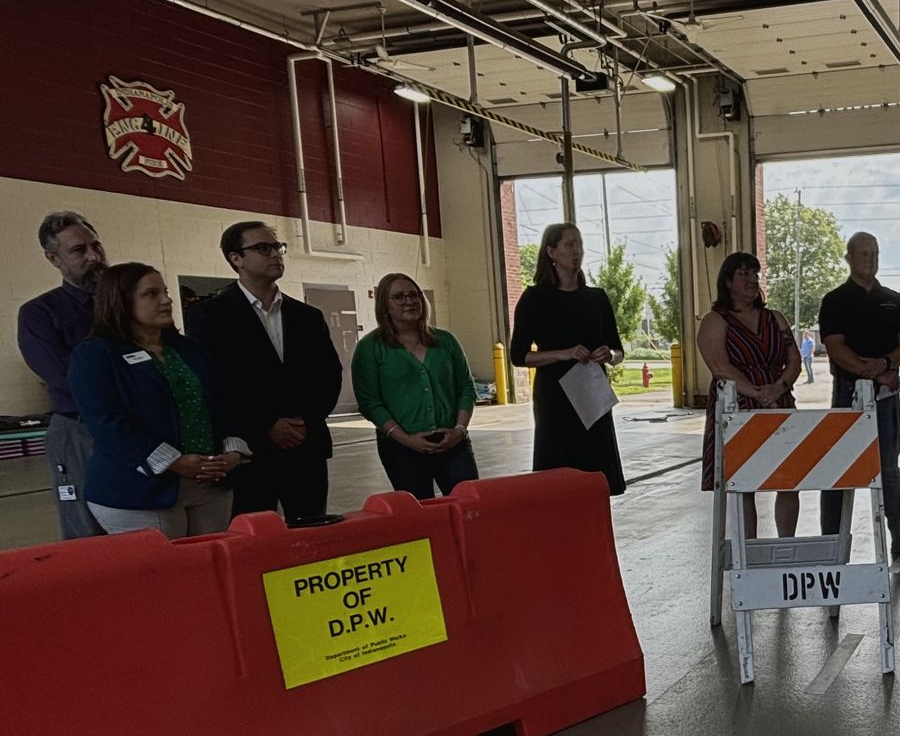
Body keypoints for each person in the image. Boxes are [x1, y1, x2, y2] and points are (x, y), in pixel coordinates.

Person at [68, 263, 249, 538]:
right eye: (151, 294)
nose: (166, 300)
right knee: (171, 575)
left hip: (210, 483)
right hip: (139, 489)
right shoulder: (96, 355)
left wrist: (233, 452)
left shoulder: (190, 350)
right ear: (121, 301)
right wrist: (174, 462)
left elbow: (225, 404)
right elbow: (107, 423)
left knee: (209, 569)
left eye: (165, 292)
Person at [184, 221, 342, 521]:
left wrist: (305, 420)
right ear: (236, 259)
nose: (275, 254)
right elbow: (216, 385)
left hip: (306, 446)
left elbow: (328, 376)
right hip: (251, 450)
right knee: (256, 539)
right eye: (263, 248)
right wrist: (265, 427)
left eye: (278, 247)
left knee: (311, 533)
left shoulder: (307, 316)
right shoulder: (210, 316)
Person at [817, 232, 900, 564]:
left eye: (874, 254)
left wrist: (887, 364)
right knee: (839, 469)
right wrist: (875, 370)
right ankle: (831, 543)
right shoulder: (834, 300)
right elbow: (836, 348)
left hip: (886, 396)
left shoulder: (894, 300)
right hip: (847, 393)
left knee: (889, 468)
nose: (870, 259)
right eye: (863, 254)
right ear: (849, 258)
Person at [509, 222, 627, 495]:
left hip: (592, 391)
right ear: (551, 252)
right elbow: (519, 355)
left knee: (597, 461)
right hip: (555, 393)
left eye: (580, 244)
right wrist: (562, 353)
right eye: (569, 245)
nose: (577, 251)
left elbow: (618, 350)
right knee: (559, 460)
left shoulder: (597, 298)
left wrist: (609, 355)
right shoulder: (534, 298)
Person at [17, 211, 109, 539]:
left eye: (96, 246)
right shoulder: (40, 314)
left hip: (141, 427)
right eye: (78, 250)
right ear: (53, 259)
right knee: (87, 526)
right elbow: (66, 377)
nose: (94, 256)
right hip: (80, 429)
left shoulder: (129, 305)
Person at [698, 251, 802, 539]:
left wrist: (778, 388)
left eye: (755, 274)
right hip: (738, 407)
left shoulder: (776, 319)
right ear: (728, 281)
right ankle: (749, 551)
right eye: (744, 274)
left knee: (789, 477)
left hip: (779, 400)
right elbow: (719, 366)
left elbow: (793, 360)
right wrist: (756, 393)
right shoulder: (714, 321)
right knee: (745, 482)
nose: (752, 280)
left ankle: (786, 544)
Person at [351, 272, 479, 499]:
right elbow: (370, 403)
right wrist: (406, 439)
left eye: (414, 295)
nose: (409, 301)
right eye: (398, 297)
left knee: (469, 505)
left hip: (452, 442)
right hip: (402, 448)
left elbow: (466, 388)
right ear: (384, 306)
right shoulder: (370, 348)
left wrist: (459, 431)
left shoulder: (446, 341)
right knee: (419, 514)